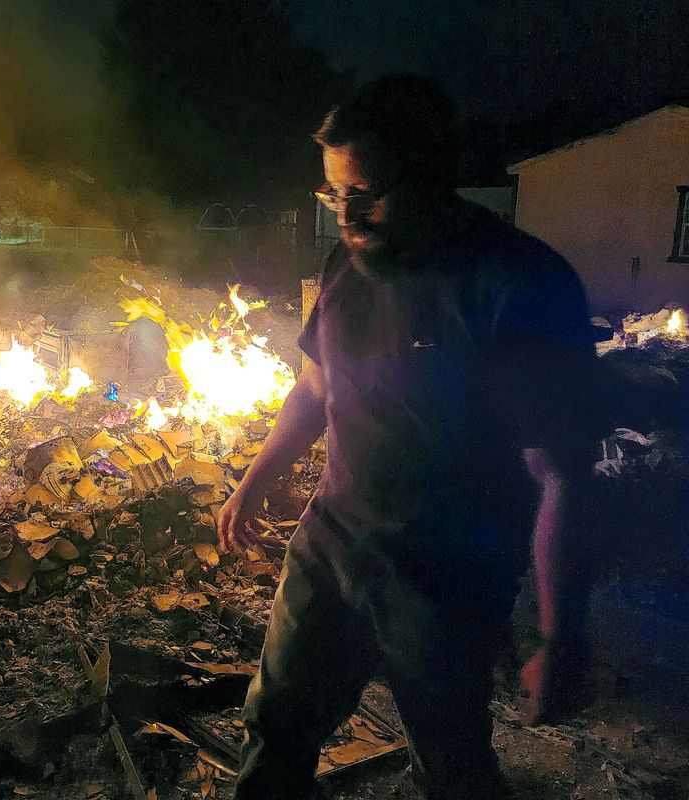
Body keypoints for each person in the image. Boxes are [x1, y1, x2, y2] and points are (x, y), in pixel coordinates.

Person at [216, 74, 599, 800]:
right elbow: (314, 390)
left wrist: (560, 635)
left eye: (364, 192)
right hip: (331, 548)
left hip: (445, 581)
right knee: (276, 726)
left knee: (449, 765)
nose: (346, 214)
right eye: (333, 194)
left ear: (432, 176)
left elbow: (561, 473)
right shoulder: (346, 266)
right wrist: (254, 482)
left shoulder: (517, 284)